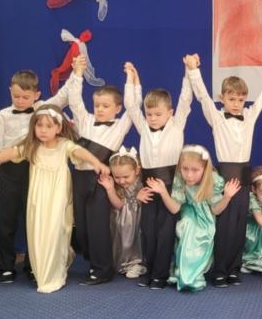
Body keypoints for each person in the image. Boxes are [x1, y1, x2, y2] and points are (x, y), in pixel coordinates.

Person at [0, 104, 110, 293]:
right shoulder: (32, 146)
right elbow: (13, 151)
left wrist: (96, 162)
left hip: (58, 196)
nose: (43, 130)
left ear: (59, 128)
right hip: (37, 197)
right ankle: (42, 273)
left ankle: (54, 272)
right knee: (38, 232)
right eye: (39, 125)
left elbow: (79, 152)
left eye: (49, 126)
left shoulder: (64, 145)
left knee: (57, 231)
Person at [188, 53, 262, 288]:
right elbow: (203, 97)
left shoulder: (250, 116)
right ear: (222, 98)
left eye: (241, 99)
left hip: (243, 177)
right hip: (224, 177)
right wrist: (194, 70)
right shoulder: (217, 117)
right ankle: (219, 270)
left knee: (239, 226)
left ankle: (234, 269)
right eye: (231, 98)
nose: (236, 103)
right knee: (223, 226)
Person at [0, 69, 72, 284]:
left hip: (35, 170)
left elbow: (63, 96)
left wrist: (76, 72)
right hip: (9, 171)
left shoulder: (42, 109)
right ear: (10, 91)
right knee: (6, 221)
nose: (20, 101)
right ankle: (6, 266)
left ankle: (34, 264)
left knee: (35, 219)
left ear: (37, 95)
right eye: (16, 96)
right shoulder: (3, 115)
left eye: (26, 97)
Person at [124, 57, 195, 289]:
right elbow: (131, 105)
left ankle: (161, 275)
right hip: (148, 184)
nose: (153, 118)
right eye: (149, 114)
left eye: (158, 114)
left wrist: (188, 70)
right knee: (148, 230)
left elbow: (186, 98)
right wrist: (132, 80)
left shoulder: (177, 124)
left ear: (170, 113)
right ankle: (150, 270)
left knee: (166, 232)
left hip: (170, 185)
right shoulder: (143, 127)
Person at [67, 57, 131, 285]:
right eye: (97, 106)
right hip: (79, 178)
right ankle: (93, 262)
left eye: (106, 106)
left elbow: (133, 107)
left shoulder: (120, 126)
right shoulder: (85, 121)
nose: (100, 110)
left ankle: (102, 269)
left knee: (98, 226)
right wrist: (77, 73)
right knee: (82, 228)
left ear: (117, 108)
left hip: (100, 180)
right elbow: (74, 100)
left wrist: (131, 80)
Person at [146, 145, 240, 292]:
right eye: (185, 169)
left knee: (200, 236)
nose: (189, 175)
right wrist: (163, 192)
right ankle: (184, 275)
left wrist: (227, 197)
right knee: (187, 226)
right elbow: (175, 208)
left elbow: (215, 210)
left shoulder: (213, 180)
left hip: (205, 218)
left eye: (195, 170)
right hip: (187, 215)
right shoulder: (179, 180)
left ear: (205, 169)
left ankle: (192, 274)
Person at [98, 147, 146, 279]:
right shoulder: (117, 186)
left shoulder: (141, 184)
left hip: (136, 220)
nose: (122, 181)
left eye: (126, 177)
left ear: (137, 170)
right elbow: (118, 205)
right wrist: (110, 189)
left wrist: (138, 199)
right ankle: (122, 263)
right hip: (119, 219)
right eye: (117, 177)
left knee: (135, 240)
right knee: (120, 239)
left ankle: (136, 263)